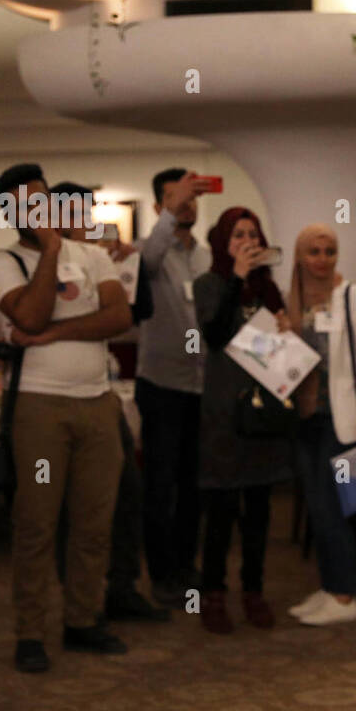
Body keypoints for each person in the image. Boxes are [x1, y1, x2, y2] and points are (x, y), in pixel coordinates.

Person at [0, 163, 131, 673]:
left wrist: (53, 336)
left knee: (94, 523)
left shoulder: (92, 255)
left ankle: (83, 620)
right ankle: (30, 632)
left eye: (45, 199)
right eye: (28, 203)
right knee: (36, 524)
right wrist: (48, 252)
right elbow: (27, 316)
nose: (42, 210)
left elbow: (119, 317)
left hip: (98, 404)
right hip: (40, 408)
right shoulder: (1, 263)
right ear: (10, 213)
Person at [46, 182, 167, 622]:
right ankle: (79, 600)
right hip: (56, 395)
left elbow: (138, 314)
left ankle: (122, 587)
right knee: (68, 502)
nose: (87, 222)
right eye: (77, 213)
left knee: (127, 490)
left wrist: (127, 264)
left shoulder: (103, 258)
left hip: (103, 389)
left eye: (88, 212)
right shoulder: (46, 264)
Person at [194, 206, 291, 633]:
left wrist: (286, 330)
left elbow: (280, 352)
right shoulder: (210, 284)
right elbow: (214, 335)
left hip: (262, 413)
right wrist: (236, 277)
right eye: (237, 235)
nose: (246, 243)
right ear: (221, 242)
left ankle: (253, 591)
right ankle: (212, 594)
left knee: (258, 510)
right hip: (223, 412)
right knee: (220, 507)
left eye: (253, 235)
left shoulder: (269, 291)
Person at [285, 225, 356, 627]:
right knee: (316, 506)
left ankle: (344, 597)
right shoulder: (292, 300)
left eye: (330, 251)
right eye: (314, 251)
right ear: (299, 256)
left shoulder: (351, 296)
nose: (322, 259)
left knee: (333, 510)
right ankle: (329, 588)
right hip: (303, 416)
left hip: (340, 419)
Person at [137, 168, 215, 606]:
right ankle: (162, 574)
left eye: (190, 196)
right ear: (158, 207)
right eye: (174, 197)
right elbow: (147, 259)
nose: (186, 202)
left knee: (193, 484)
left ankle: (188, 566)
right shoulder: (148, 254)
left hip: (202, 386)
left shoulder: (207, 258)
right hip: (162, 384)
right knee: (160, 484)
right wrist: (169, 213)